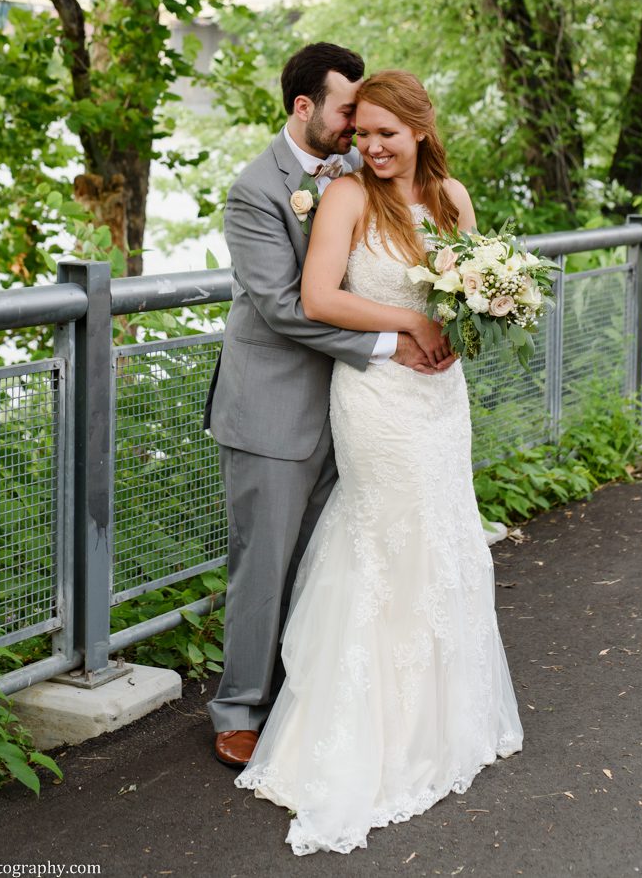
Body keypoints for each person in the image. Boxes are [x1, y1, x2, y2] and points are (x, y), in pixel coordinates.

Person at [235, 69, 524, 855]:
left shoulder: (453, 198)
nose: (371, 147)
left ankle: (441, 716)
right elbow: (318, 296)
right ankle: (366, 726)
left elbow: (465, 291)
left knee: (441, 531)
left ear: (422, 130)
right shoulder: (347, 196)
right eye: (361, 133)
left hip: (440, 396)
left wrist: (464, 321)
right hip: (377, 396)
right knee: (384, 536)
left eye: (386, 134)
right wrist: (407, 325)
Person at [205, 45, 455, 769]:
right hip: (274, 406)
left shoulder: (355, 169)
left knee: (333, 562)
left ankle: (307, 699)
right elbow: (284, 306)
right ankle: (239, 710)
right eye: (349, 112)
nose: (359, 128)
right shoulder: (255, 190)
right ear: (304, 107)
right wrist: (392, 342)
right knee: (264, 565)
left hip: (361, 408)